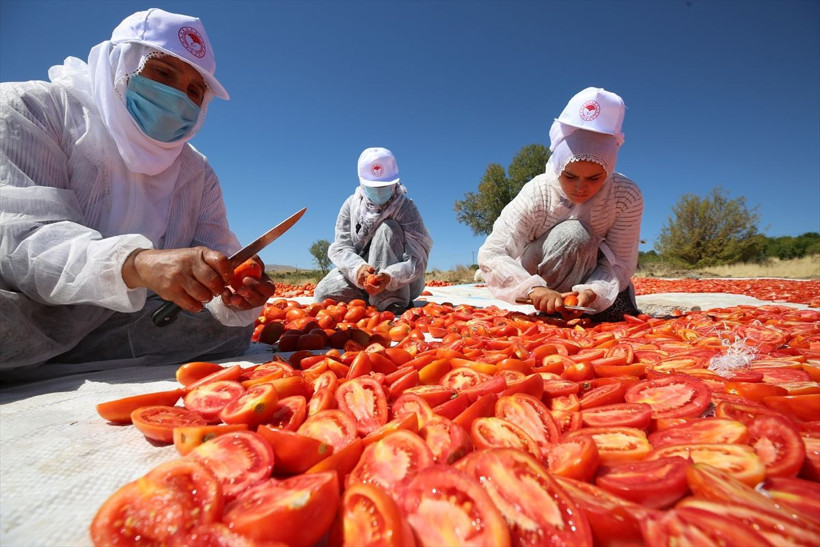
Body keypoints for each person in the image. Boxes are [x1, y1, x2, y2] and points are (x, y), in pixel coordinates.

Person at [0, 8, 276, 381]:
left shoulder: (197, 174)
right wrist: (137, 264)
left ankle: (45, 360)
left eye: (195, 91)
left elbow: (219, 255)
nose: (179, 97)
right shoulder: (32, 109)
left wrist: (236, 288)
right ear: (120, 64)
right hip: (23, 308)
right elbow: (27, 243)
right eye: (162, 73)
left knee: (230, 327)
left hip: (109, 322)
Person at [478, 87, 643, 322]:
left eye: (594, 178)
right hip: (541, 272)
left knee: (618, 315)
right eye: (570, 176)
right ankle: (553, 307)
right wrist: (532, 289)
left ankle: (584, 307)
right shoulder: (539, 191)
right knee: (573, 233)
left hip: (594, 274)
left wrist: (593, 291)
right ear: (558, 166)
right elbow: (493, 253)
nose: (580, 188)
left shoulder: (626, 195)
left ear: (609, 171)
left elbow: (620, 260)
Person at [314, 147, 433, 315]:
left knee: (387, 229)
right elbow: (341, 247)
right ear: (362, 182)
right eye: (373, 186)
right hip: (364, 278)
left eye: (384, 185)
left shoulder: (405, 208)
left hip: (401, 281)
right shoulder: (351, 206)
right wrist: (357, 269)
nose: (378, 190)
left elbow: (418, 259)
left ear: (394, 183)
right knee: (323, 294)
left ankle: (391, 300)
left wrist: (390, 277)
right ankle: (372, 297)